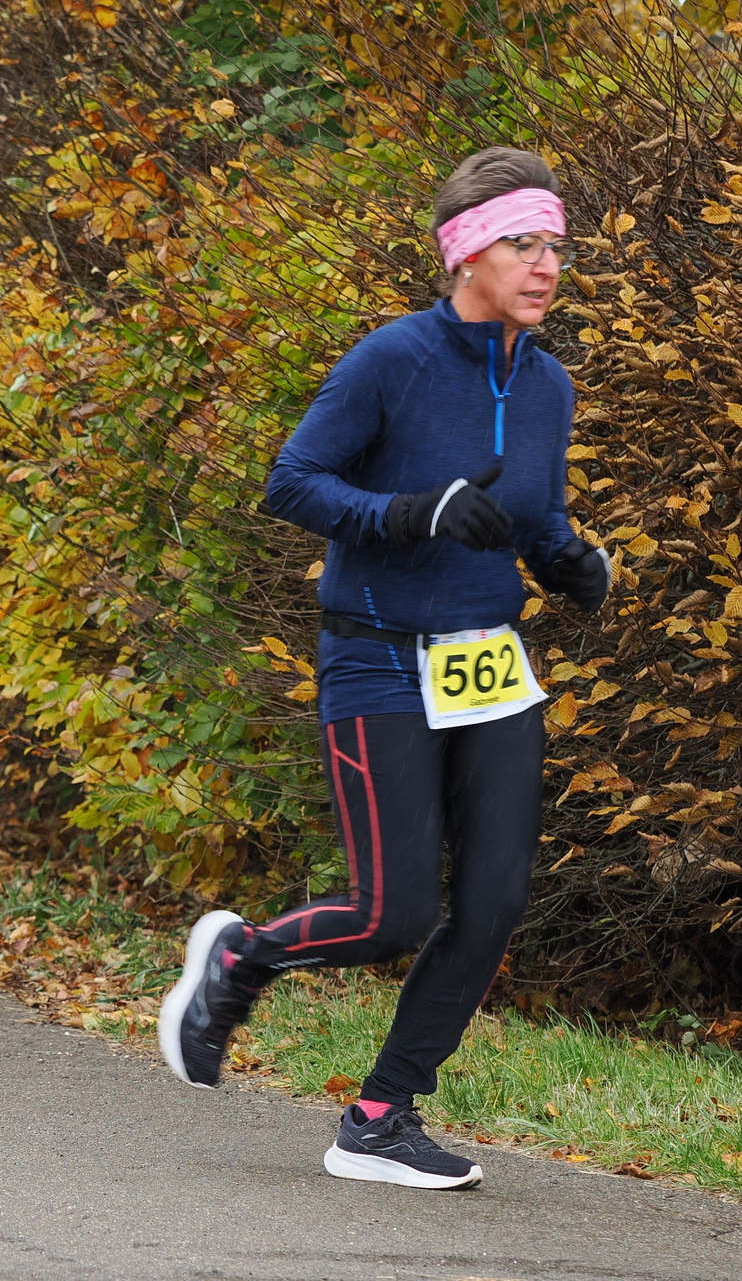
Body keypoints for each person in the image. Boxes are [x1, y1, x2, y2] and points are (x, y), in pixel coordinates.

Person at [156, 147, 612, 1190]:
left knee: (492, 903)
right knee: (390, 913)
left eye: (555, 246)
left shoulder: (547, 385)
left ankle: (378, 1117)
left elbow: (533, 516)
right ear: (465, 253)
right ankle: (242, 958)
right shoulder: (393, 360)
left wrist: (571, 562)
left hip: (490, 666)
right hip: (379, 659)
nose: (547, 266)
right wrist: (411, 513)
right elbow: (293, 483)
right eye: (522, 244)